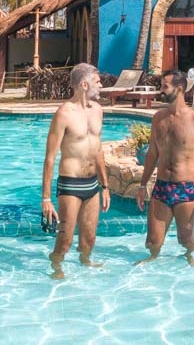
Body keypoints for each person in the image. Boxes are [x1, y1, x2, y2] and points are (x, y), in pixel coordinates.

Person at [136, 70, 194, 266]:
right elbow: (153, 154)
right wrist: (142, 185)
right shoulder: (159, 118)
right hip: (161, 187)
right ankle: (153, 257)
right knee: (152, 242)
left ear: (179, 89)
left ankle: (189, 256)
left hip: (186, 189)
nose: (160, 90)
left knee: (186, 240)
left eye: (165, 86)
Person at [41, 63, 110, 278]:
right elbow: (50, 158)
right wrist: (46, 198)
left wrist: (105, 185)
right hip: (71, 184)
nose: (101, 85)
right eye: (97, 81)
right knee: (66, 239)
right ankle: (56, 267)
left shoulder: (98, 111)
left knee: (89, 238)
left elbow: (98, 149)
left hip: (92, 184)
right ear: (84, 84)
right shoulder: (64, 114)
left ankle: (85, 262)